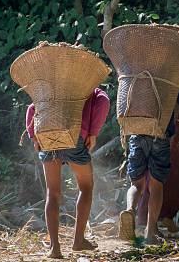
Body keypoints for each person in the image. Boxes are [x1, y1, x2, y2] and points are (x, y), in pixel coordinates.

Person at [26, 87, 110, 259]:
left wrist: (33, 135)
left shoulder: (52, 85)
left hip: (48, 138)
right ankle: (78, 240)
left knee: (53, 193)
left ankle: (54, 248)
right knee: (86, 187)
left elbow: (31, 108)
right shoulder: (90, 87)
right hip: (75, 137)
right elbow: (104, 103)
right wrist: (93, 133)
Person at [136, 77, 179, 233]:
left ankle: (144, 220)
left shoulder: (158, 74)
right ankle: (166, 217)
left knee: (151, 175)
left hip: (151, 128)